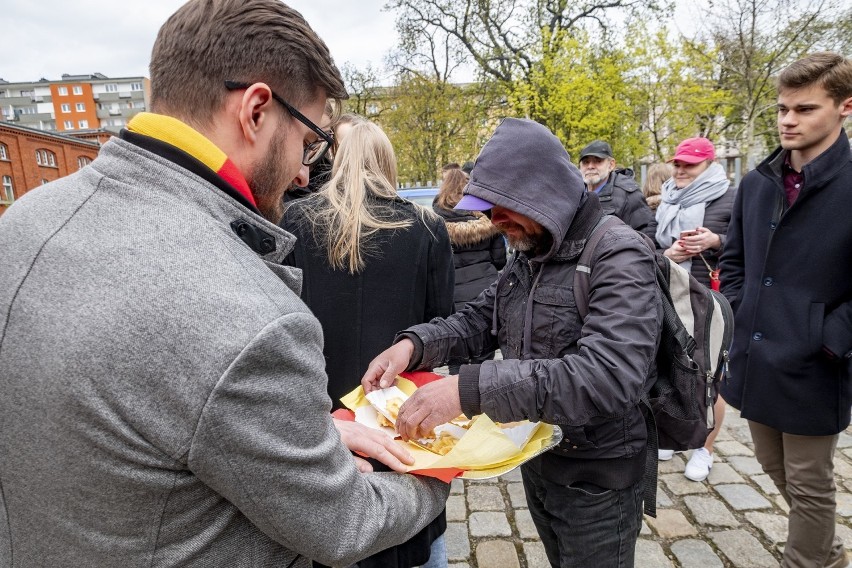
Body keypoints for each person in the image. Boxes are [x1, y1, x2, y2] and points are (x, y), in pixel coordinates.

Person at [0, 1, 449, 566]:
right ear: (257, 110)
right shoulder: (250, 317)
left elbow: (146, 423)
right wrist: (441, 469)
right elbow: (345, 524)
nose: (306, 172)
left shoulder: (24, 220)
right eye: (309, 140)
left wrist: (312, 444)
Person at [362, 118, 662, 568]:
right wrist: (413, 345)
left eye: (503, 208)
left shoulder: (618, 253)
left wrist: (467, 390)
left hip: (598, 475)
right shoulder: (532, 252)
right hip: (541, 454)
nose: (493, 221)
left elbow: (608, 376)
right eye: (486, 210)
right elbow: (480, 319)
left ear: (544, 193)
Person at [281, 116, 454, 568]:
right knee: (413, 519)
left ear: (333, 160)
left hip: (323, 401)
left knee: (328, 518)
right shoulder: (425, 226)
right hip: (398, 400)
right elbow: (442, 325)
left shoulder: (296, 221)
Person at [719, 51, 852, 568]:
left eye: (804, 109)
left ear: (844, 107)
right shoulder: (756, 183)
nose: (788, 120)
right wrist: (736, 314)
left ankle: (809, 560)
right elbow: (735, 261)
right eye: (782, 109)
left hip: (817, 364)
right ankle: (829, 553)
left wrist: (828, 336)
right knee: (772, 466)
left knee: (808, 481)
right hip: (754, 358)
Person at [653, 137, 736, 482]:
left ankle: (706, 448)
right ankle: (673, 431)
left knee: (709, 375)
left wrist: (716, 241)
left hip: (709, 297)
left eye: (690, 164)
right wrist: (666, 256)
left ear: (709, 165)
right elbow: (651, 240)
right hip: (669, 292)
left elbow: (748, 246)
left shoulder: (730, 196)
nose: (681, 170)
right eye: (678, 163)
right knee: (667, 367)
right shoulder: (667, 196)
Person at [431, 167, 506, 374]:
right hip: (486, 293)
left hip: (453, 297)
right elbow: (500, 261)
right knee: (484, 355)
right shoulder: (489, 224)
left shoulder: (435, 225)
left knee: (457, 354)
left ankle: (457, 398)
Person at [578, 140, 658, 241]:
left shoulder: (629, 193)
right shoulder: (574, 193)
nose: (590, 166)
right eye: (585, 162)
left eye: (598, 161)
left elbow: (645, 237)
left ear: (611, 165)